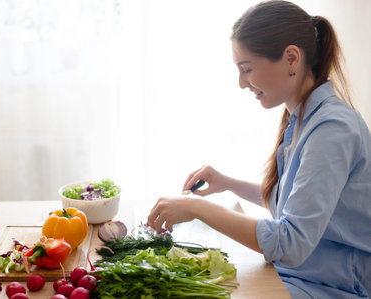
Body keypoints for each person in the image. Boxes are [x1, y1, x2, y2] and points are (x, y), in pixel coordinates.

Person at [147, 1, 371, 298]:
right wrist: (228, 184)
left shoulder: (332, 129)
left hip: (337, 284)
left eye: (246, 69)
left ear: (291, 58)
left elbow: (290, 243)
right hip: (307, 273)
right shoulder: (303, 119)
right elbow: (295, 204)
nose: (242, 83)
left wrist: (196, 208)